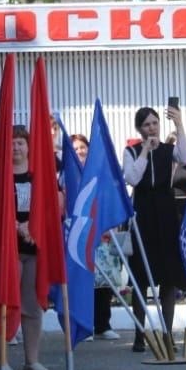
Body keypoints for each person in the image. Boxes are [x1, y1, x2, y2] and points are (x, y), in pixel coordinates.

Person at [0, 124, 52, 370]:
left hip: (33, 247)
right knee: (5, 302)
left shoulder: (38, 174)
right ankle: (2, 361)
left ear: (29, 146)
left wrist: (32, 224)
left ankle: (32, 360)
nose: (16, 147)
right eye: (11, 142)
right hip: (5, 247)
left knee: (32, 306)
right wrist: (16, 225)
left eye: (20, 142)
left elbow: (56, 201)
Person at [123, 105, 186, 352]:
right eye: (146, 124)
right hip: (143, 215)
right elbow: (132, 179)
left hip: (166, 212)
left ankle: (167, 333)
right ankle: (140, 335)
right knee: (141, 277)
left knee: (168, 278)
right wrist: (144, 152)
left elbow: (185, 158)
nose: (151, 128)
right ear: (139, 128)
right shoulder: (131, 151)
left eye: (154, 123)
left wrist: (179, 125)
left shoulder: (168, 150)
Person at [73, 134, 122, 341]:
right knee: (83, 282)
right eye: (75, 149)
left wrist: (111, 226)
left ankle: (103, 324)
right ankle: (85, 325)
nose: (80, 152)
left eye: (83, 147)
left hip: (102, 234)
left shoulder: (101, 174)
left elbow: (110, 201)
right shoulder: (67, 174)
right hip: (79, 235)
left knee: (105, 281)